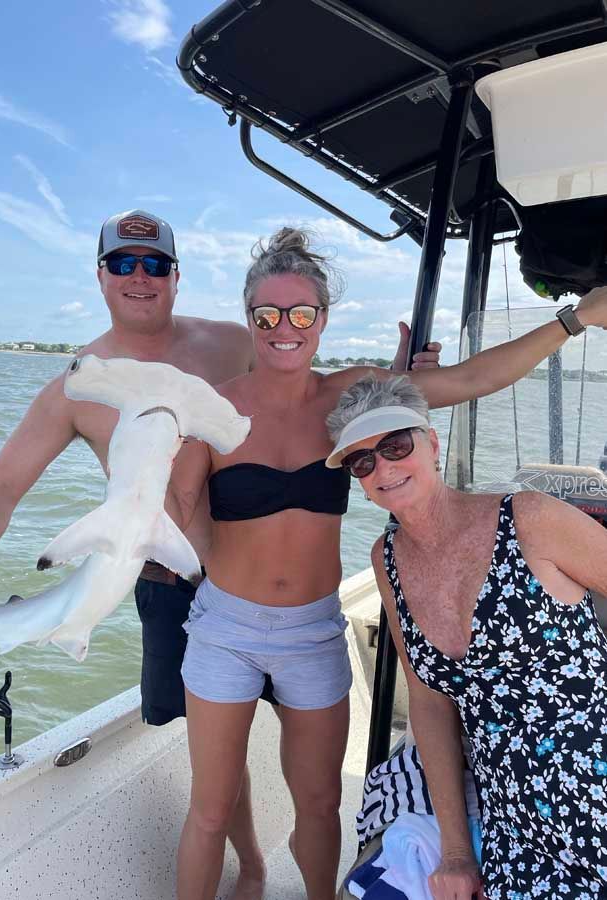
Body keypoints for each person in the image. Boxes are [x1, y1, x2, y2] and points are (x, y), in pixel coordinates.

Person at [0, 209, 436, 900]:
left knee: (308, 781)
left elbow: (298, 374)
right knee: (216, 778)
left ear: (175, 276)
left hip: (282, 596)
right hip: (173, 590)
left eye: (154, 263)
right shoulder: (76, 385)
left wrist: (396, 383)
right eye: (122, 263)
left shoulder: (233, 342)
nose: (139, 277)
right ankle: (252, 866)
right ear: (101, 274)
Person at [165, 225, 607, 900]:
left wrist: (576, 317)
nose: (285, 328)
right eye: (268, 315)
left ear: (321, 320)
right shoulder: (211, 410)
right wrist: (213, 565)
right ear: (249, 317)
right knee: (209, 808)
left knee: (317, 805)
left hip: (311, 629)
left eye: (302, 313)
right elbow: (177, 499)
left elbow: (472, 377)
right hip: (226, 626)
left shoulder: (349, 401)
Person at [325, 374, 607, 899]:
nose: (382, 467)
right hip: (513, 819)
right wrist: (456, 853)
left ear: (431, 443)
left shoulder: (530, 519)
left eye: (395, 445)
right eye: (361, 462)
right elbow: (430, 702)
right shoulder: (387, 561)